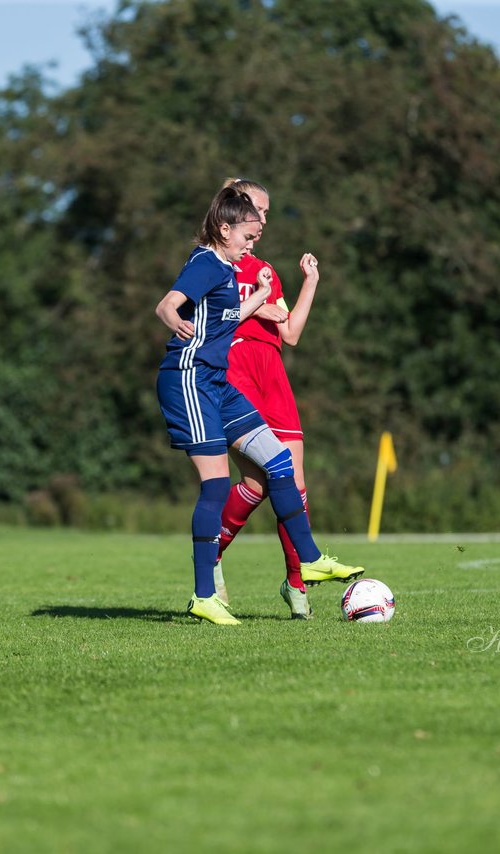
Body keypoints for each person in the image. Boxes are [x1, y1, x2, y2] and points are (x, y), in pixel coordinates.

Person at [155, 186, 365, 625]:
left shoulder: (229, 269)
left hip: (218, 384)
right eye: (247, 235)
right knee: (215, 487)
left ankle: (307, 561)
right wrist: (176, 321)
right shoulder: (205, 263)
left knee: (279, 462)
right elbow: (166, 305)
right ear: (225, 228)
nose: (254, 242)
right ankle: (203, 595)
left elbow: (229, 319)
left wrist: (259, 295)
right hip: (191, 382)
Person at [211, 178, 361, 620]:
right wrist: (256, 305)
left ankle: (297, 584)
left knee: (288, 483)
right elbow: (200, 312)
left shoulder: (266, 270)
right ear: (233, 213)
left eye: (267, 212)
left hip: (272, 374)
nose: (263, 219)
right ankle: (210, 556)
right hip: (235, 372)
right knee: (260, 481)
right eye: (258, 209)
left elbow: (290, 333)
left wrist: (309, 282)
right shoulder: (215, 264)